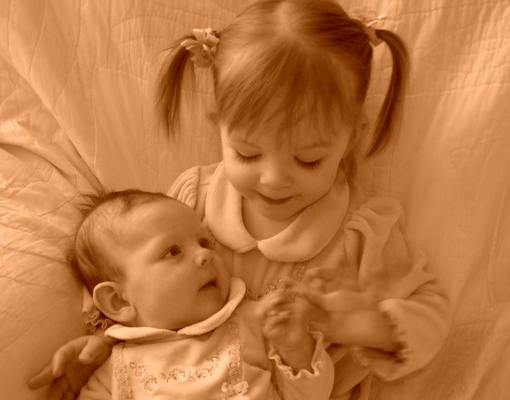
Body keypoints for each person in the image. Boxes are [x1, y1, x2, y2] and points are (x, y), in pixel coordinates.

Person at [29, 1, 450, 399]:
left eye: (308, 159)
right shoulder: (189, 202)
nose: (273, 180)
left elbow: (430, 314)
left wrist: (358, 325)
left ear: (351, 139)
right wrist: (107, 344)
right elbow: (133, 277)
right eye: (247, 153)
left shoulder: (359, 235)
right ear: (219, 126)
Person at [67, 189, 334, 399]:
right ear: (119, 300)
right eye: (173, 252)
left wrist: (296, 350)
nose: (204, 254)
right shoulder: (113, 371)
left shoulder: (256, 322)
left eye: (204, 242)